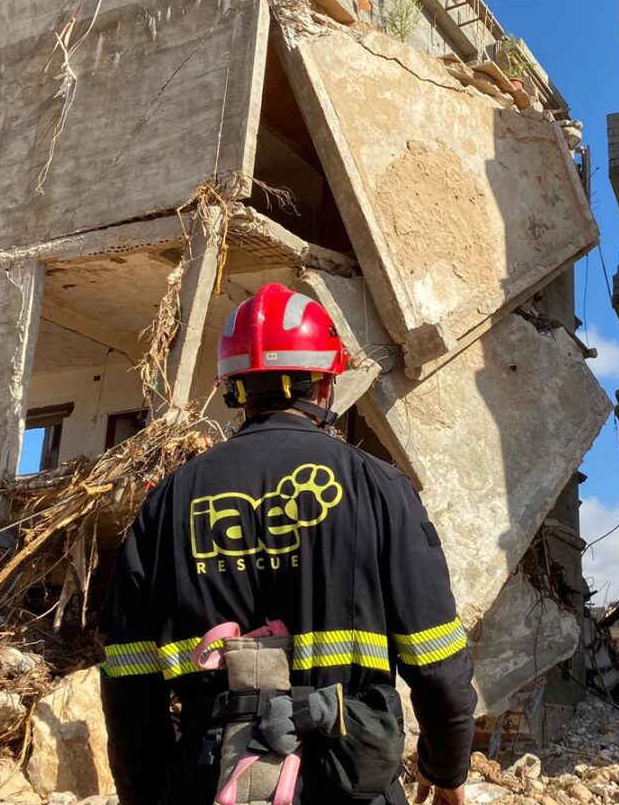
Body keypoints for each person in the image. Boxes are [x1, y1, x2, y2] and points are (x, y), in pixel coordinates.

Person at [100, 283, 476, 805]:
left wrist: (150, 795)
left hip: (212, 780)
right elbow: (437, 658)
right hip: (345, 778)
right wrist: (448, 768)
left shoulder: (168, 503)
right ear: (324, 384)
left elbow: (129, 683)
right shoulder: (377, 487)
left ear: (235, 388)